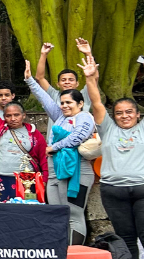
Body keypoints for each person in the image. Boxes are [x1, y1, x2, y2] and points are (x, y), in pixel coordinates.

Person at [83, 51, 144, 259]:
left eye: (129, 112)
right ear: (114, 116)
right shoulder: (108, 129)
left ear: (137, 114)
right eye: (119, 113)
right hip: (114, 192)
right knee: (126, 238)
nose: (125, 115)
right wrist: (90, 79)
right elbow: (96, 103)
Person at [26, 55, 96, 242]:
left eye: (69, 103)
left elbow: (78, 137)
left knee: (73, 213)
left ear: (80, 103)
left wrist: (53, 147)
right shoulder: (60, 117)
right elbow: (45, 99)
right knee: (56, 212)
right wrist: (29, 80)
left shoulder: (85, 117)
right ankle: (61, 251)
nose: (64, 106)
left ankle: (74, 252)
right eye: (62, 103)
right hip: (56, 169)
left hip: (77, 170)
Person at [0, 60, 48, 202]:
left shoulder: (34, 134)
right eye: (8, 115)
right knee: (1, 213)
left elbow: (43, 158)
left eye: (16, 115)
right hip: (0, 177)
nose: (12, 118)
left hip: (27, 179)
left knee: (25, 212)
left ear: (23, 115)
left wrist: (44, 178)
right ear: (4, 117)